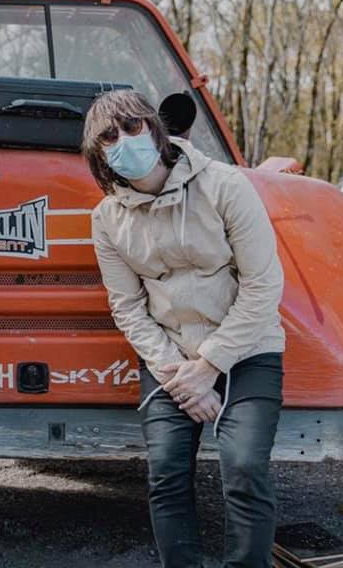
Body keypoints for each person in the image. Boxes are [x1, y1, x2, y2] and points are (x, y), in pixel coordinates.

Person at [82, 90, 285, 568]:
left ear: (154, 128)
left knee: (244, 468)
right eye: (109, 136)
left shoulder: (225, 185)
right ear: (99, 153)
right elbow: (127, 306)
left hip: (248, 348)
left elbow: (263, 285)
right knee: (167, 474)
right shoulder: (107, 218)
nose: (124, 141)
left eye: (132, 127)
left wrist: (210, 365)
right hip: (169, 358)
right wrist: (181, 375)